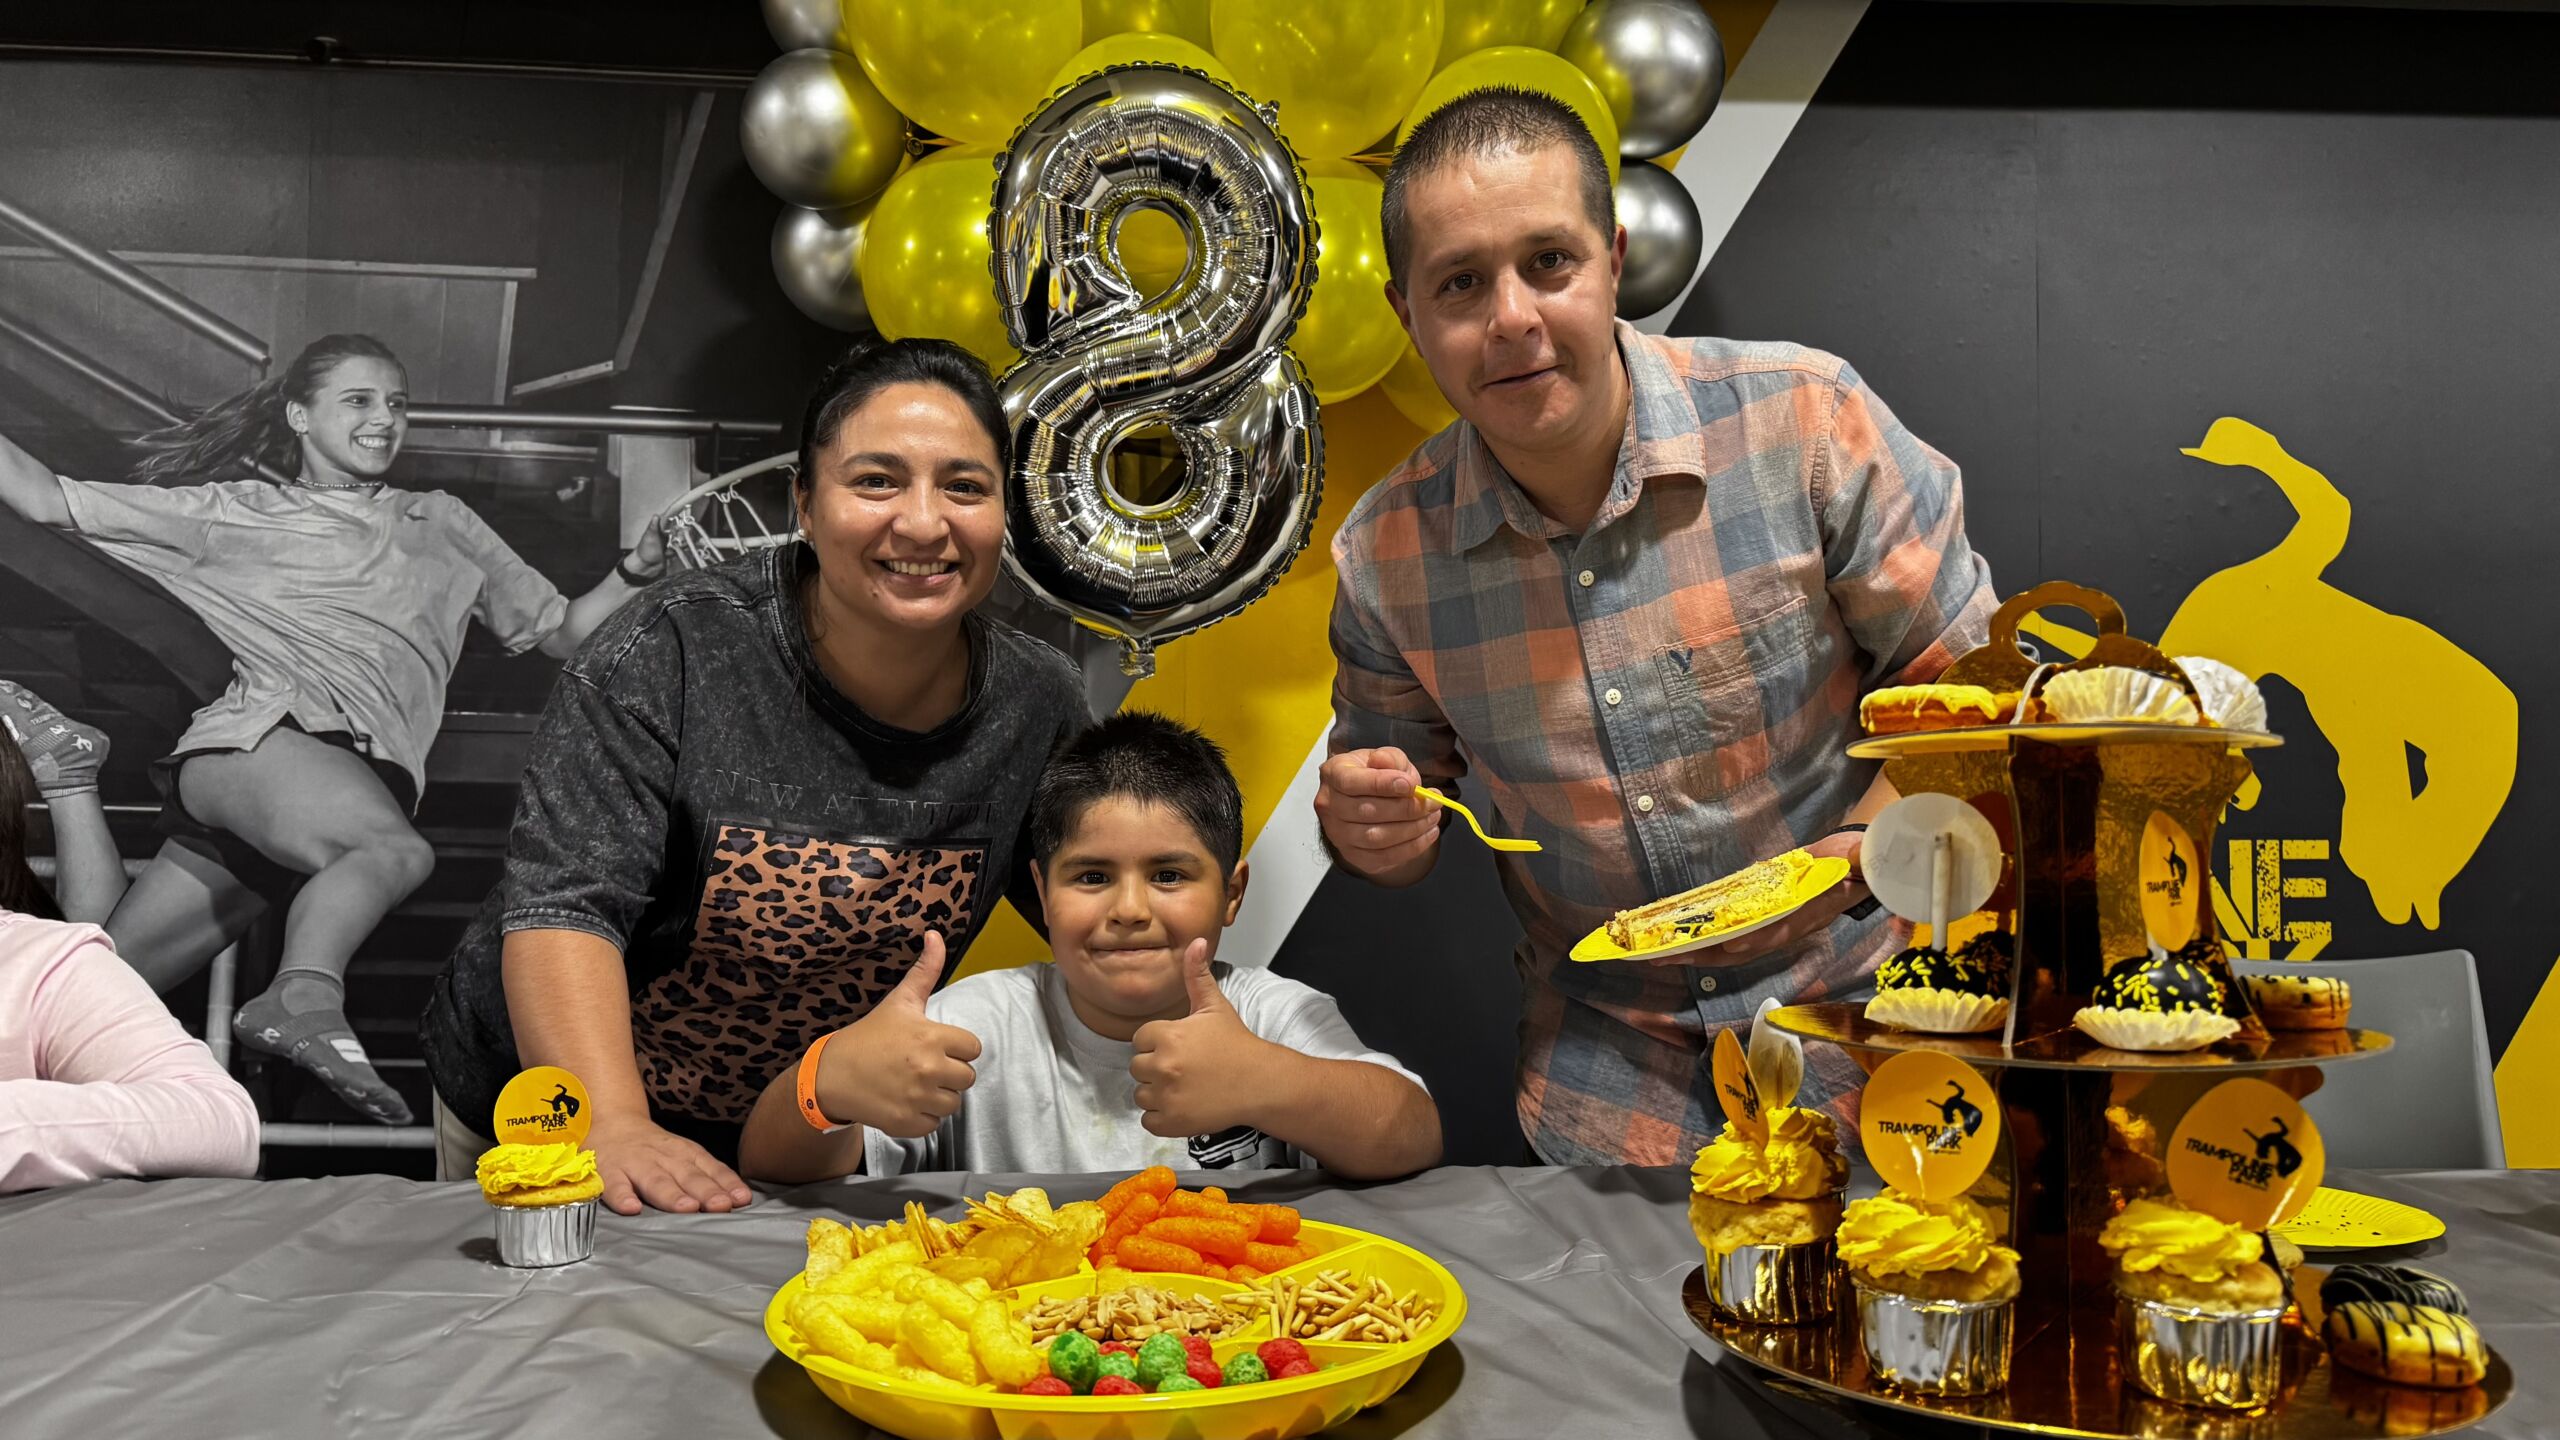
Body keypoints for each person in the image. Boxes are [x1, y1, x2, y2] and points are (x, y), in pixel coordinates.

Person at [1315, 90, 1998, 1166]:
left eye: (1549, 262)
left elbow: (1977, 694)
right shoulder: (1383, 558)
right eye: (1461, 283)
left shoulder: (1805, 420)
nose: (1511, 317)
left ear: (1613, 261)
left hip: (1884, 1030)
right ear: (1409, 316)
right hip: (1610, 1084)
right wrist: (1369, 833)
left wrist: (1865, 854)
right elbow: (1394, 824)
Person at [422, 337, 1088, 1215]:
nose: (924, 523)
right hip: (560, 1108)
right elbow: (564, 910)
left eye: (965, 487)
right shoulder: (668, 649)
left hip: (794, 1136)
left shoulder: (1038, 703)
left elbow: (1099, 908)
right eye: (877, 481)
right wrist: (612, 1123)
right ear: (804, 505)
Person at [0, 333, 668, 1125]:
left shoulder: (443, 522)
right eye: (358, 400)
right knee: (392, 854)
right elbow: (42, 498)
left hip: (342, 787)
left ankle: (71, 776)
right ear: (299, 417)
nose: (385, 418)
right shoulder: (236, 513)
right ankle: (304, 995)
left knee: (102, 984)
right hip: (267, 744)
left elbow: (562, 632)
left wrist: (634, 572)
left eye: (396, 403)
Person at [738, 712, 1442, 1183]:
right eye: (1093, 877)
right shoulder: (973, 1024)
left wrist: (1270, 1082)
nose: (1129, 911)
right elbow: (769, 1163)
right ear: (1043, 896)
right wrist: (826, 1081)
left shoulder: (1270, 1014)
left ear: (1231, 893)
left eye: (1169, 876)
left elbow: (1413, 1134)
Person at [0, 726, 259, 1192]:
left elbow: (221, 1121)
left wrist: (16, 1122)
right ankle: (70, 780)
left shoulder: (41, 961)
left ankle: (71, 779)